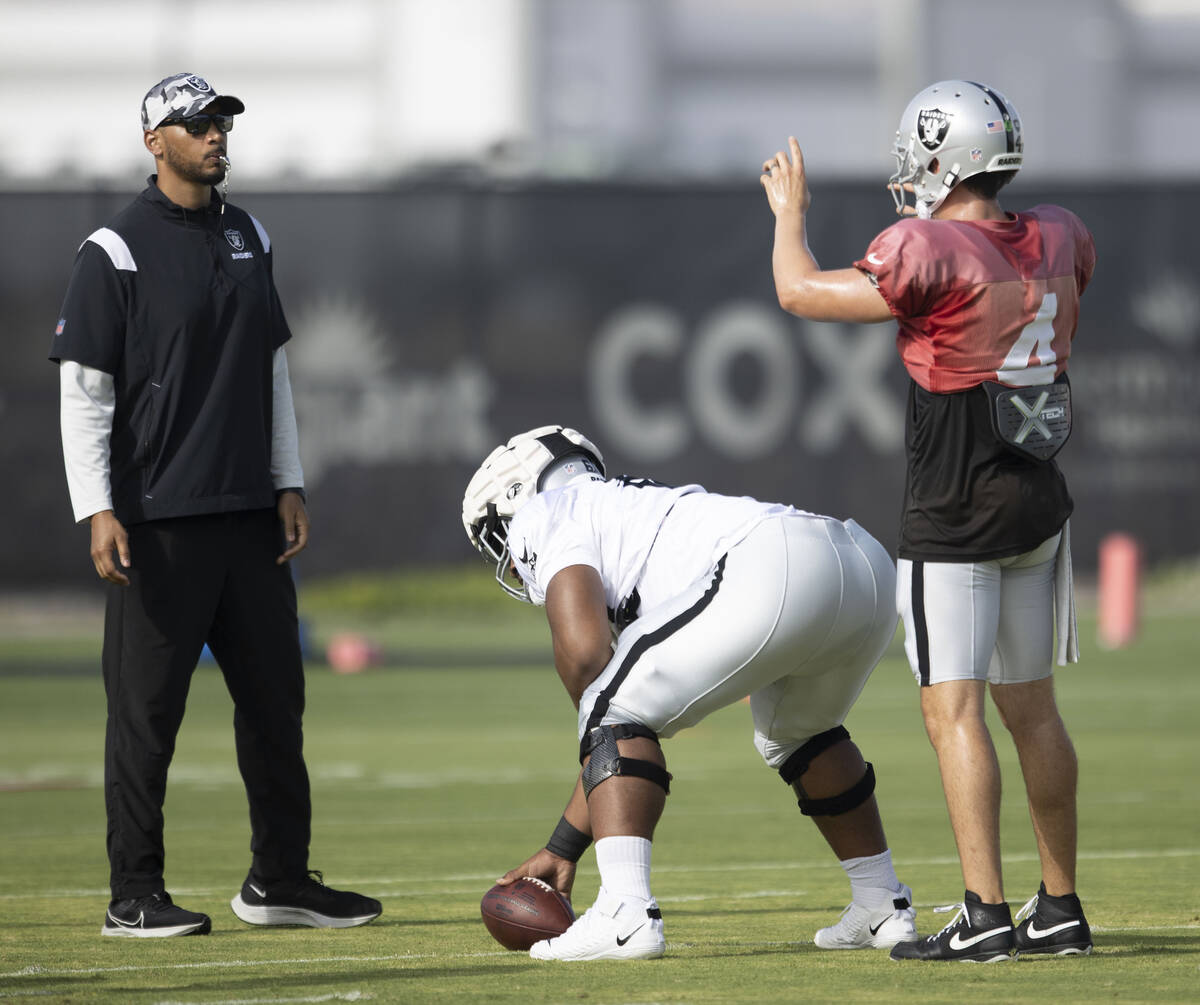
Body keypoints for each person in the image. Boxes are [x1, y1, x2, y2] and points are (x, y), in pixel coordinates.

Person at [760, 80, 1095, 962]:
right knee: (1035, 713)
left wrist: (790, 217)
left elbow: (800, 292)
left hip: (957, 505)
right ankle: (1060, 906)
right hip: (1037, 499)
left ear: (946, 159)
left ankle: (983, 913)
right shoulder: (1060, 234)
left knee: (954, 712)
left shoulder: (924, 246)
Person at [50, 72, 381, 938]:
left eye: (221, 122)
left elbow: (269, 370)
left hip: (250, 518)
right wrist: (98, 508)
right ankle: (134, 894)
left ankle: (280, 881)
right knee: (146, 717)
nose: (215, 135)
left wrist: (287, 480)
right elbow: (85, 393)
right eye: (196, 124)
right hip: (157, 521)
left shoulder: (249, 234)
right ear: (154, 141)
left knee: (276, 707)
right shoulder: (113, 250)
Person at [462, 424, 918, 961]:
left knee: (610, 708)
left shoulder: (544, 512)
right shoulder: (622, 506)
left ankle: (625, 915)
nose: (512, 562)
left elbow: (589, 663)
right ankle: (881, 904)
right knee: (800, 734)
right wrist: (564, 846)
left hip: (774, 566)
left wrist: (600, 728)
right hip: (862, 566)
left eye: (498, 538)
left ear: (516, 497)